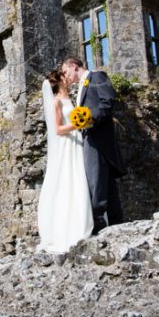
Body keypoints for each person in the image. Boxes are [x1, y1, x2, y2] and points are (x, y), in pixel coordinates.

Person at [60, 56, 126, 235]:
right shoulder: (81, 86)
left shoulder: (97, 77)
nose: (66, 77)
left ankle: (98, 226)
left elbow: (108, 101)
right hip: (91, 139)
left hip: (98, 138)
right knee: (103, 182)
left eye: (66, 72)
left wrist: (89, 118)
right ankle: (115, 224)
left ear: (74, 66)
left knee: (95, 180)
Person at [37, 69, 94, 253]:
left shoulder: (72, 98)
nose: (67, 78)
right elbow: (58, 129)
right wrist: (78, 123)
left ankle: (82, 220)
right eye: (64, 76)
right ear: (59, 81)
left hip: (76, 142)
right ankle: (68, 230)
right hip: (67, 144)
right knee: (68, 181)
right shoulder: (56, 101)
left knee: (79, 180)